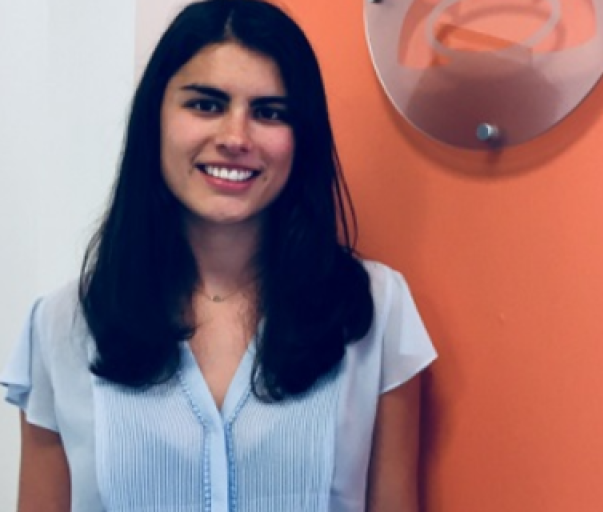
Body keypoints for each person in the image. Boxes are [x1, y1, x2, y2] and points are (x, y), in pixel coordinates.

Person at [0, 1, 436, 510]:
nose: (235, 137)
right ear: (155, 119)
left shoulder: (376, 313)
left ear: (302, 138)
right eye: (206, 104)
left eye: (270, 112)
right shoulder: (61, 327)